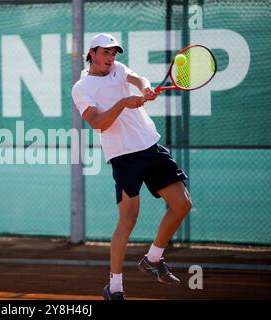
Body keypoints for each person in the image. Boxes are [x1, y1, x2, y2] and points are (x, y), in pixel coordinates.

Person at [71, 33, 192, 300]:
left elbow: (138, 79)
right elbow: (98, 122)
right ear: (92, 53)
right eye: (106, 52)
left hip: (150, 146)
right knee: (128, 218)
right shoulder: (82, 88)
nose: (111, 58)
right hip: (124, 156)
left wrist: (145, 88)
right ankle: (114, 287)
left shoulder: (118, 70)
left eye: (114, 53)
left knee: (182, 204)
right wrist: (124, 103)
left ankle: (153, 259)